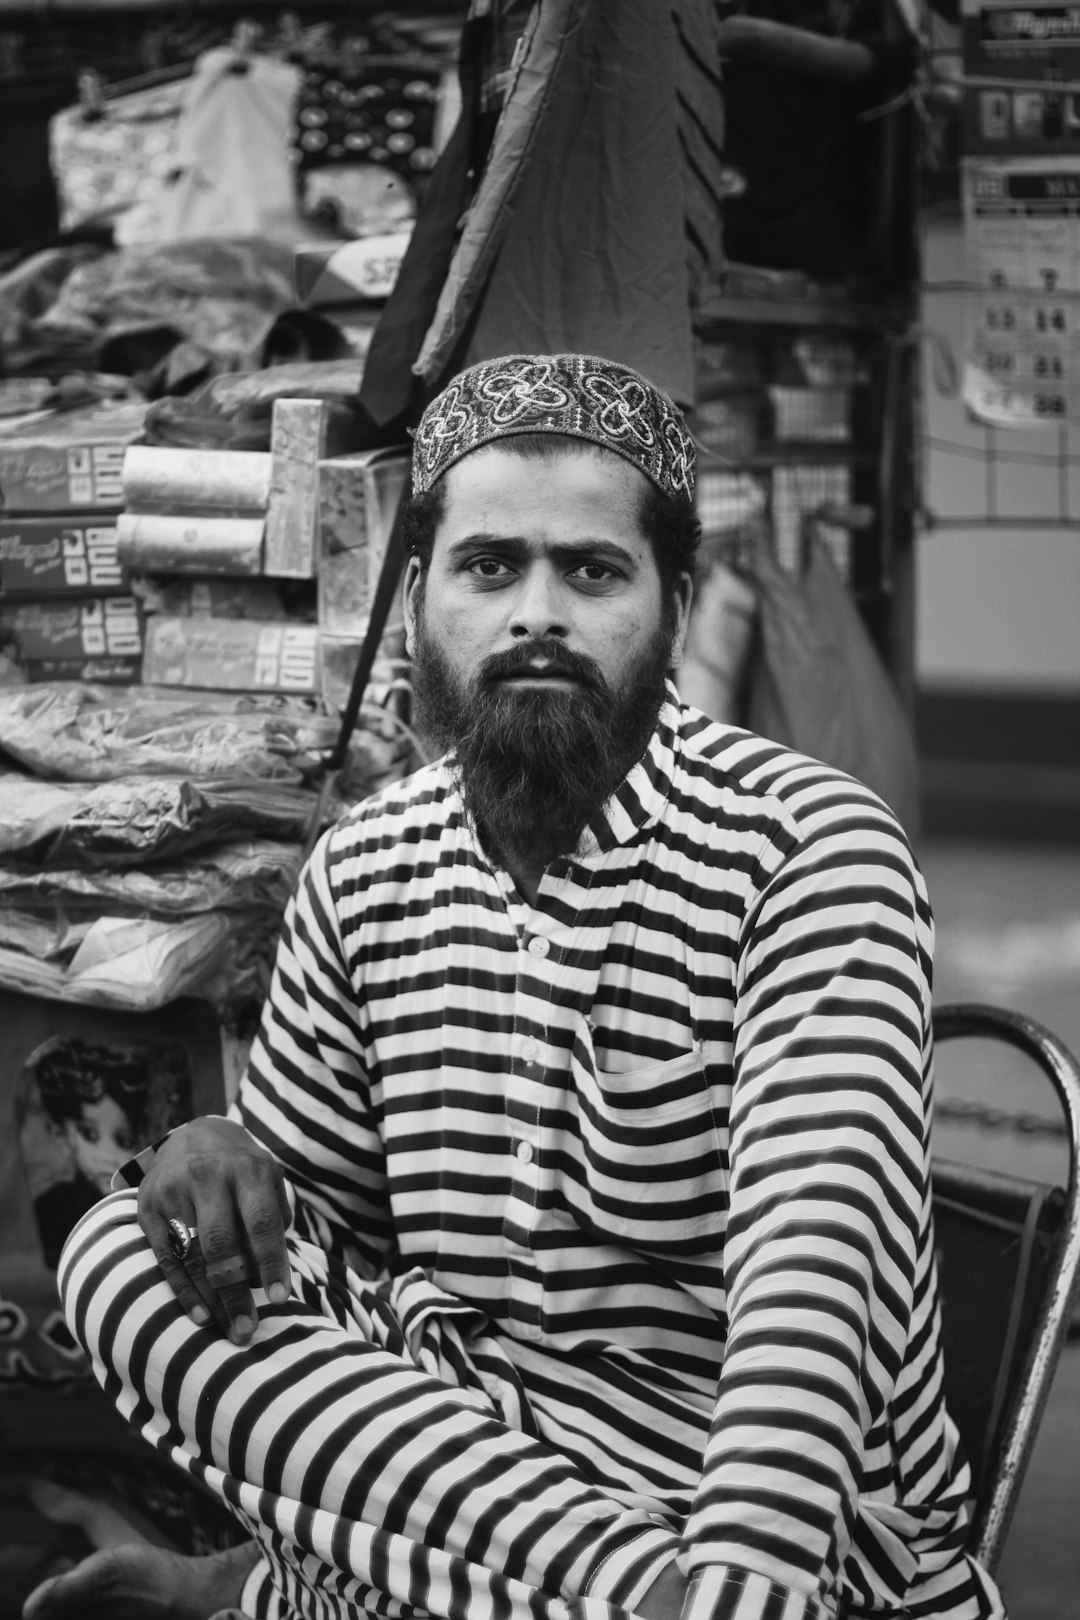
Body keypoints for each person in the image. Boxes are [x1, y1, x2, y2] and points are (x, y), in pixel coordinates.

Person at [25, 353, 1005, 1620]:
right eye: (492, 568)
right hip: (496, 1468)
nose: (536, 612)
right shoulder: (365, 870)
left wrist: (739, 1589)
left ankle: (312, 1589)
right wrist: (217, 1157)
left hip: (776, 1499)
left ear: (674, 603)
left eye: (591, 571)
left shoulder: (808, 850)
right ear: (426, 598)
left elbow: (810, 1280)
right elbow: (310, 1244)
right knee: (125, 1249)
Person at [27, 1038, 150, 1268]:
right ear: (63, 1134)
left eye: (124, 1140)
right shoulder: (53, 1208)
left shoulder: (150, 1199)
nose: (105, 1155)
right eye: (89, 1134)